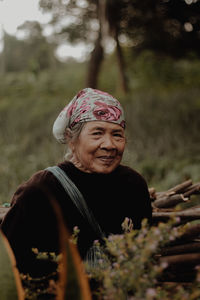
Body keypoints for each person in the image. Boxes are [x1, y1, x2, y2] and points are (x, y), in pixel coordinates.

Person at [1, 88, 152, 276]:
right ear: (71, 140)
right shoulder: (41, 189)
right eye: (97, 133)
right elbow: (8, 262)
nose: (109, 145)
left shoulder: (133, 185)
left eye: (117, 135)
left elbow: (144, 255)